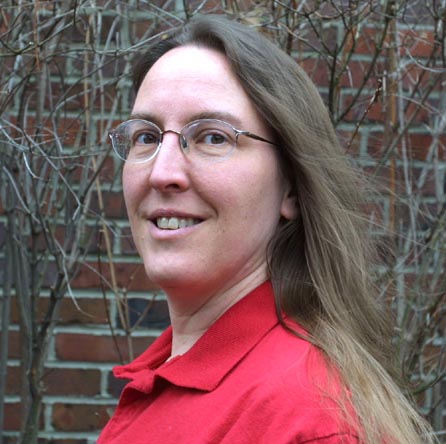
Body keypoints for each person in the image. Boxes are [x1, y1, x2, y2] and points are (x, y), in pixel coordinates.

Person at [98, 14, 436, 444]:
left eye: (213, 137)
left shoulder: (308, 421)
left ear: (291, 188)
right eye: (146, 136)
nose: (162, 172)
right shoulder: (173, 374)